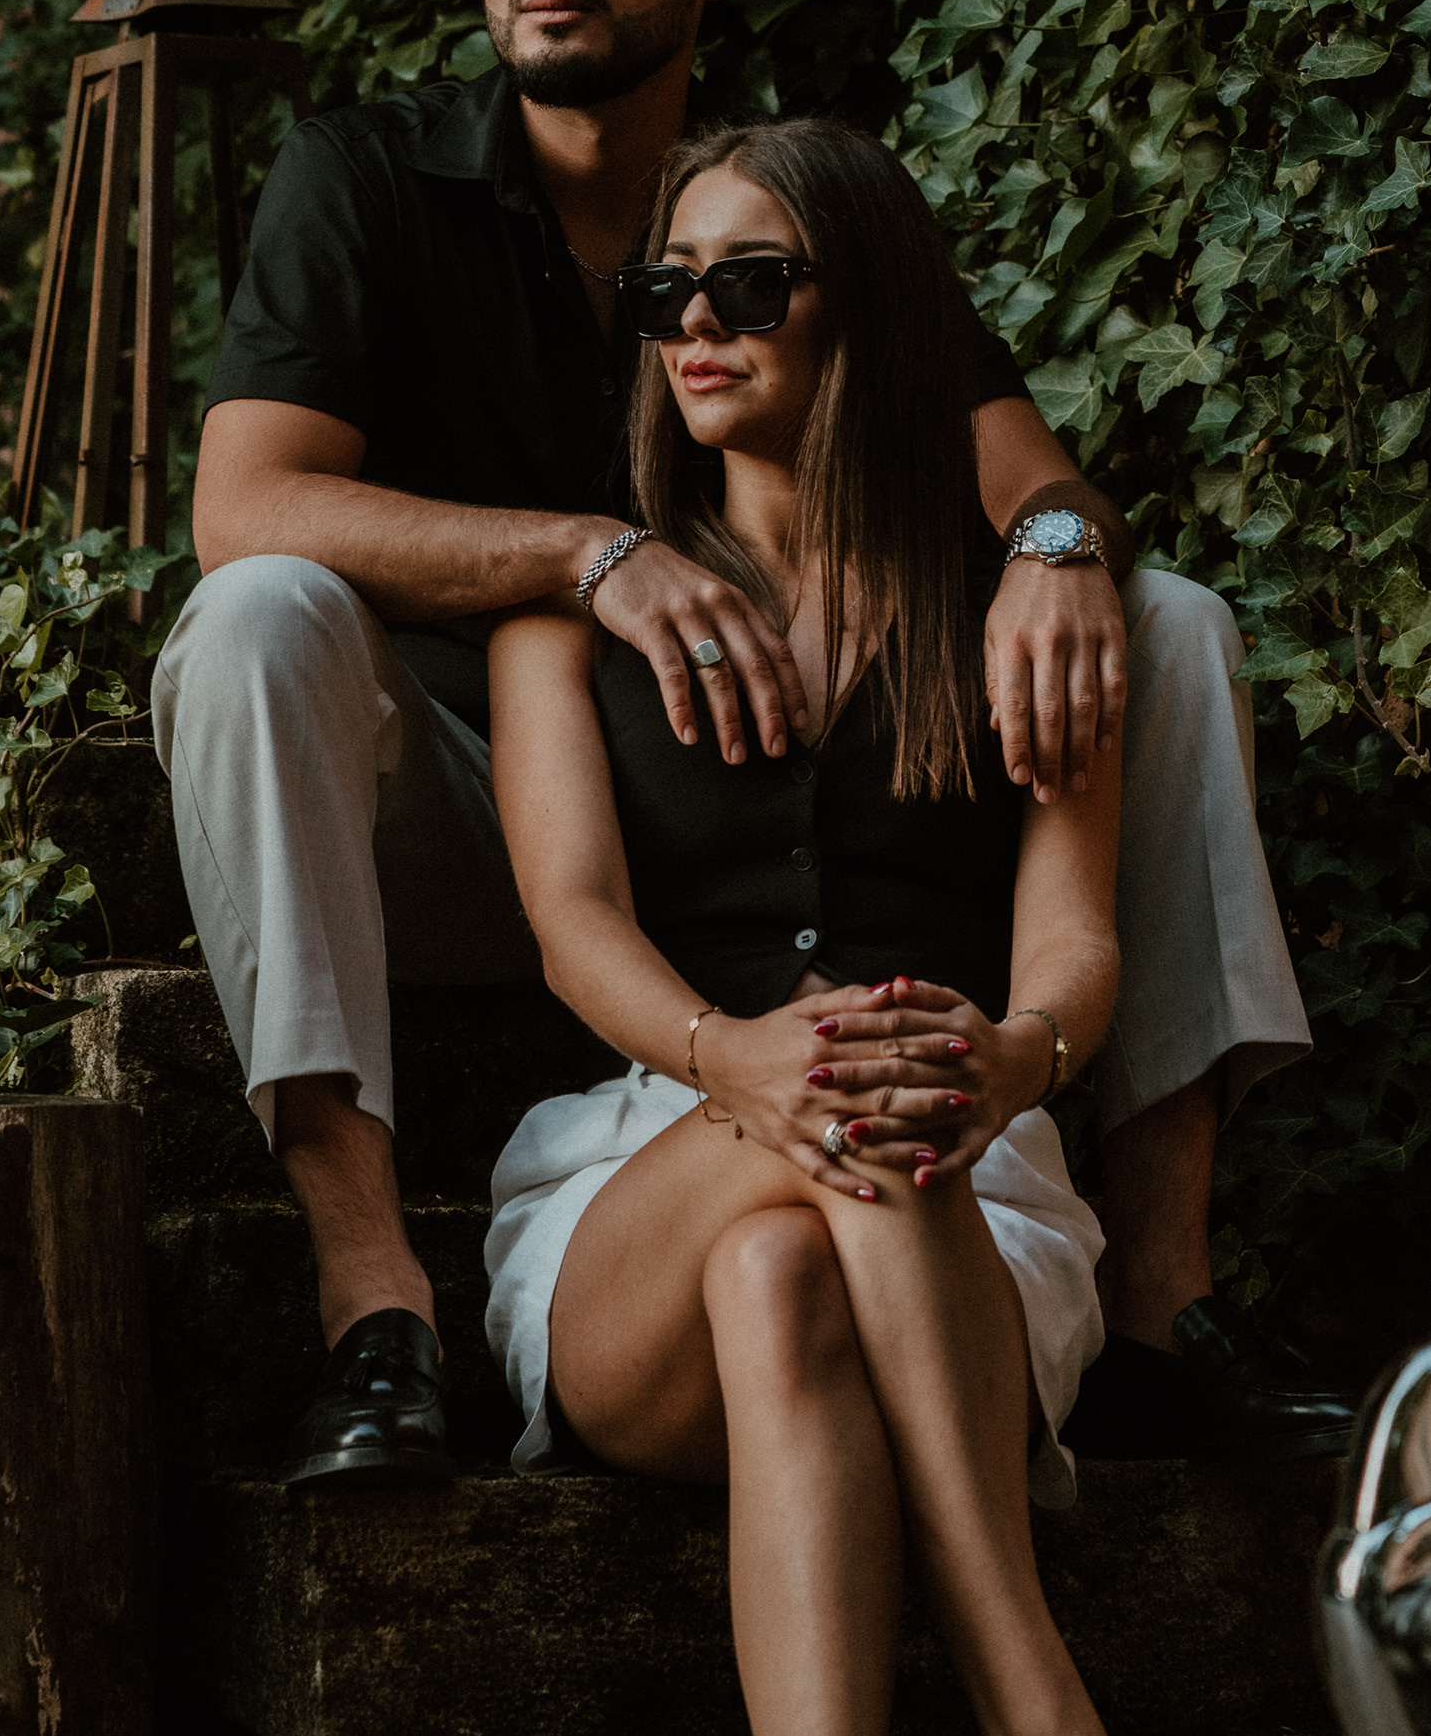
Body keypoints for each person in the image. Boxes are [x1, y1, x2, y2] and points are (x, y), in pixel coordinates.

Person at [154, 0, 1348, 1482]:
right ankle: (375, 1305)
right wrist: (592, 554)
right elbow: (245, 507)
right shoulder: (368, 178)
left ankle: (1169, 1298)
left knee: (1163, 617)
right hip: (451, 801)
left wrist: (1052, 548)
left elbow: (1039, 481)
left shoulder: (775, 198)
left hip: (725, 811)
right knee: (256, 616)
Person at [483, 117, 1110, 1733]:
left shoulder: (1017, 616)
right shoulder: (564, 630)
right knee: (842, 1092)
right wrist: (735, 1056)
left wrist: (1017, 1056)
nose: (696, 322)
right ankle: (1031, 1684)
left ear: (867, 303)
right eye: (667, 289)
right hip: (653, 1169)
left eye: (752, 283)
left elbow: (1077, 942)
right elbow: (572, 925)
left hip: (964, 1176)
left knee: (787, 1264)